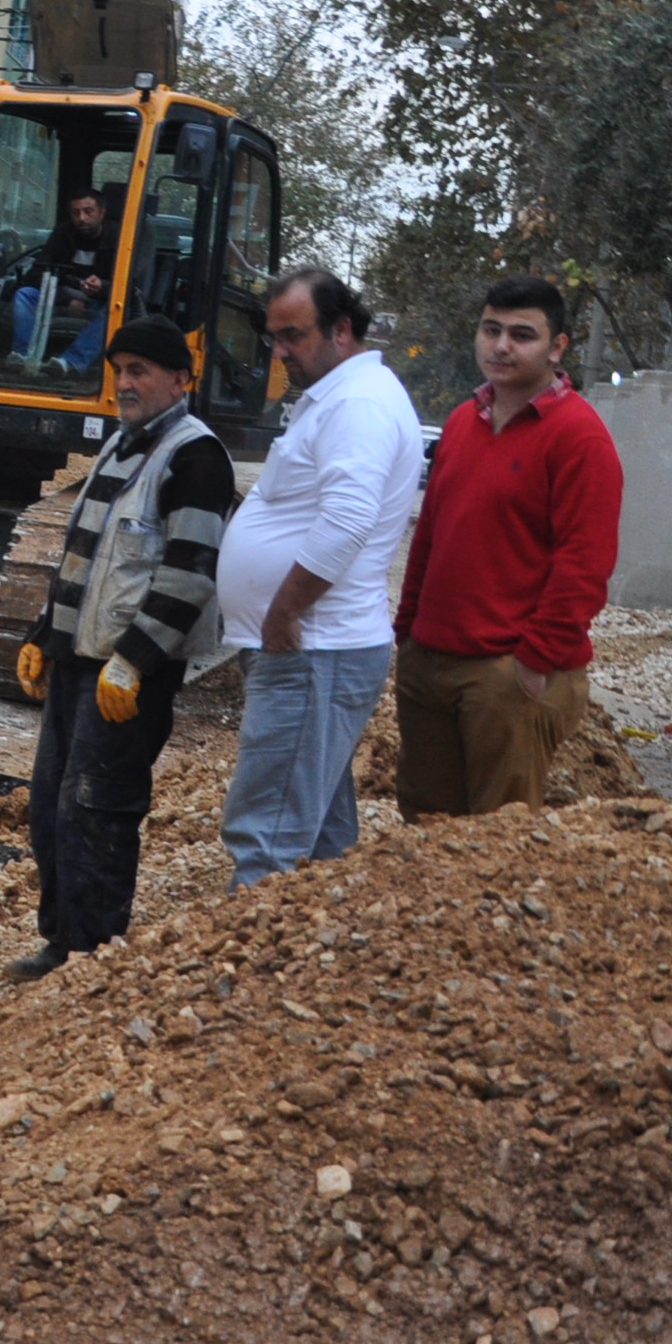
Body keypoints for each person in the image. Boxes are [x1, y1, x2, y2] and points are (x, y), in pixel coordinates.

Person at [10, 314, 236, 980]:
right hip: (79, 666)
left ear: (180, 380)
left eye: (139, 371)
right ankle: (61, 942)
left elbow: (190, 573)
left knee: (97, 810)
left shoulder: (196, 458)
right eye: (118, 372)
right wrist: (43, 635)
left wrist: (133, 661)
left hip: (128, 677)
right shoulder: (120, 446)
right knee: (52, 806)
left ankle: (90, 956)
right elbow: (83, 558)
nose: (125, 384)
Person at [214, 270, 425, 888]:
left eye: (293, 336)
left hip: (313, 648)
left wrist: (283, 612)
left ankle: (248, 947)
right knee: (322, 837)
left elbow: (348, 520)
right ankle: (325, 942)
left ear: (341, 330)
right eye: (272, 337)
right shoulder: (340, 397)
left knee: (268, 840)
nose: (279, 351)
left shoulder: (358, 404)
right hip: (318, 651)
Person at [392, 276, 623, 819]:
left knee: (498, 832)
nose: (500, 346)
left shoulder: (579, 437)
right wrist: (408, 630)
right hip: (430, 660)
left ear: (557, 347)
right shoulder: (461, 422)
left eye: (522, 335)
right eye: (490, 330)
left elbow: (585, 565)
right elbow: (431, 533)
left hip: (508, 674)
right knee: (424, 824)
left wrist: (533, 662)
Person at [8, 191, 111, 373]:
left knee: (114, 310)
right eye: (76, 213)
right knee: (25, 295)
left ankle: (70, 363)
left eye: (88, 211)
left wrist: (102, 287)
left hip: (99, 303)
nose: (82, 218)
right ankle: (22, 357)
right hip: (59, 299)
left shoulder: (118, 238)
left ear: (101, 213)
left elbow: (131, 288)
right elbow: (36, 273)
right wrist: (68, 300)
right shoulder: (63, 234)